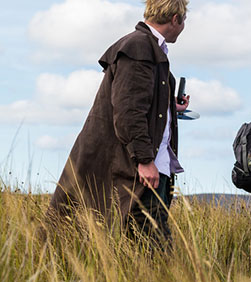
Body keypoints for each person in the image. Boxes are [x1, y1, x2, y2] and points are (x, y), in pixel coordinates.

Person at [48, 0, 190, 246]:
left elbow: (138, 101)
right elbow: (128, 111)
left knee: (141, 244)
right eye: (184, 20)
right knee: (154, 248)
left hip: (149, 168)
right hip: (140, 169)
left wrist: (169, 106)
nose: (183, 26)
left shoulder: (150, 48)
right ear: (175, 19)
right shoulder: (138, 48)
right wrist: (144, 160)